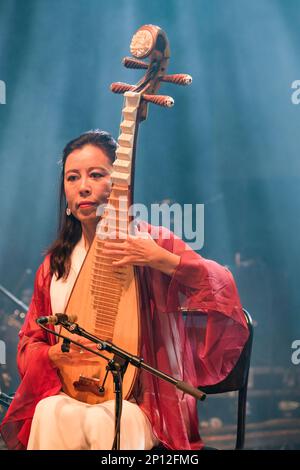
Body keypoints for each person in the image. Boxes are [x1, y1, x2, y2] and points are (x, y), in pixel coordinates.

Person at [0, 130, 249, 450]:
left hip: (142, 403)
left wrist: (163, 260)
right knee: (48, 411)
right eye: (72, 177)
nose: (83, 186)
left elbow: (221, 286)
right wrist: (54, 353)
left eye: (96, 174)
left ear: (119, 185)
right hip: (72, 393)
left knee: (110, 419)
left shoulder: (149, 242)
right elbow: (28, 343)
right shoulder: (54, 266)